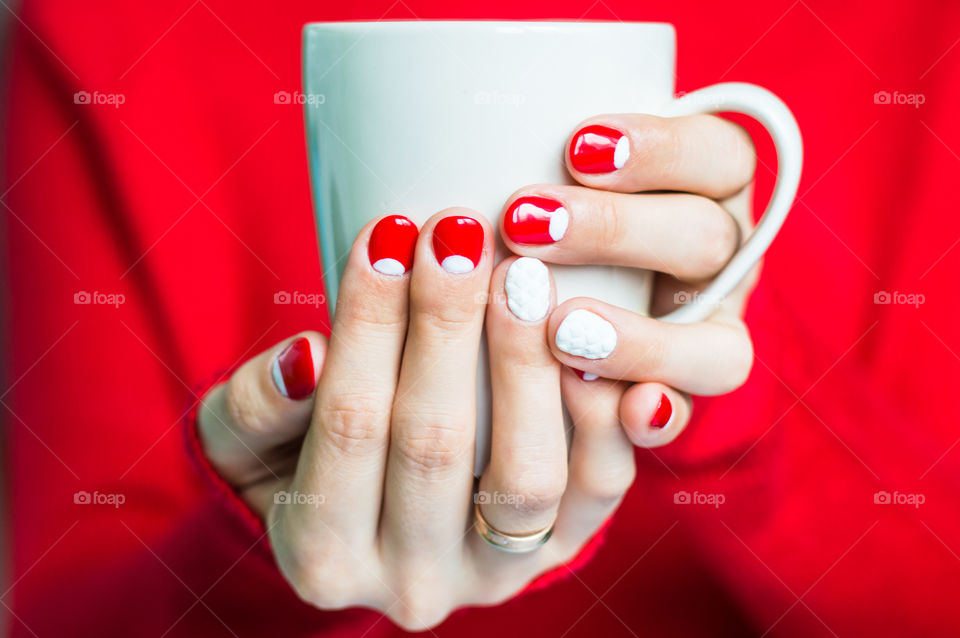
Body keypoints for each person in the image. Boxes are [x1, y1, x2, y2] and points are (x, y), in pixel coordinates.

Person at [3, 1, 959, 636]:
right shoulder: (106, 30)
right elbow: (56, 611)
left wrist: (730, 395)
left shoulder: (917, 32)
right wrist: (259, 556)